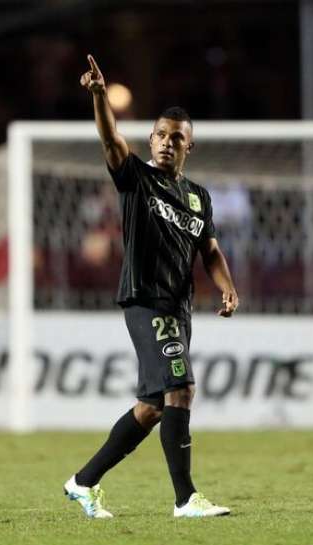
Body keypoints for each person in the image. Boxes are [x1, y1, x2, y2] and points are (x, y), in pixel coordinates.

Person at [64, 55, 239, 518]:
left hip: (178, 307)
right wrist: (100, 95)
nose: (165, 143)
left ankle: (83, 482)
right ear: (151, 139)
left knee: (152, 407)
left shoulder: (199, 196)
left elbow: (211, 251)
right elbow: (109, 138)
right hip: (146, 299)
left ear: (189, 147)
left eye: (175, 138)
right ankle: (186, 499)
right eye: (160, 135)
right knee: (180, 389)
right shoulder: (136, 178)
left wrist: (227, 286)